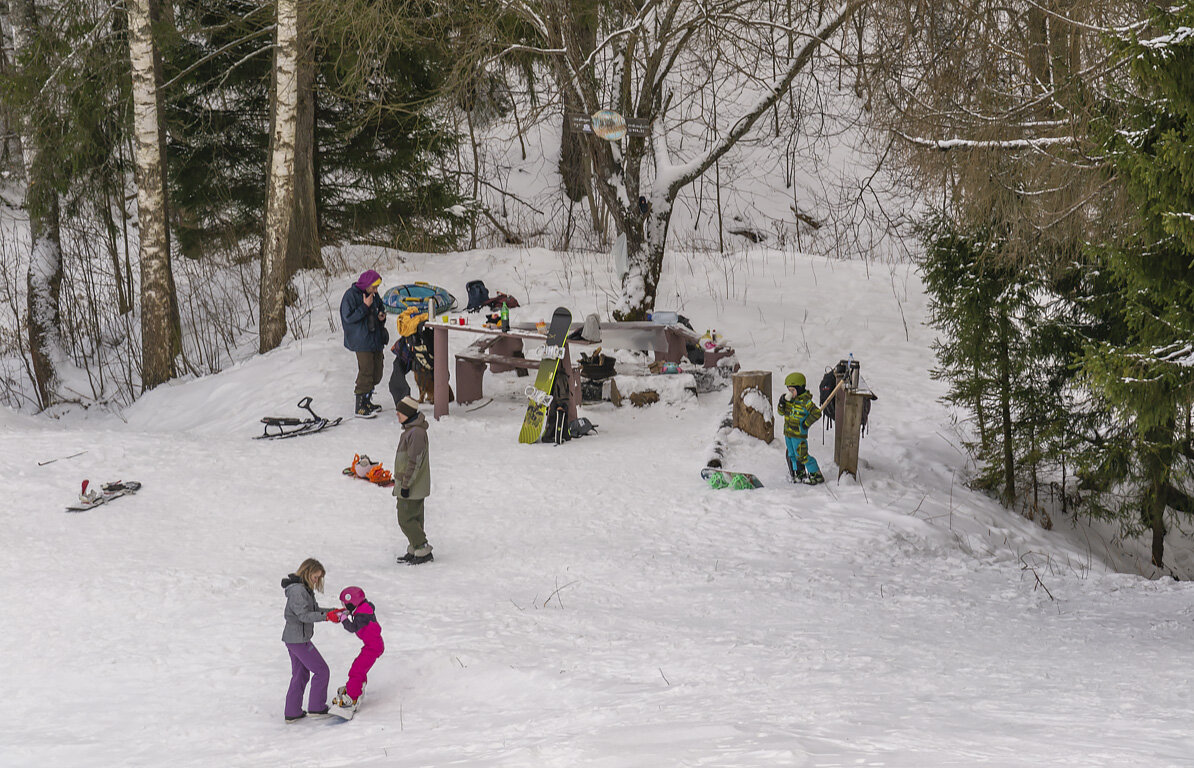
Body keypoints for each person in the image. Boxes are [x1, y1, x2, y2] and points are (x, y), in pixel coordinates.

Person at [281, 558, 343, 723]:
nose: (316, 581)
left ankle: (292, 712)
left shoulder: (304, 590)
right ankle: (317, 707)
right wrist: (327, 617)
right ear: (307, 572)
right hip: (298, 640)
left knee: (300, 674)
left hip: (295, 639)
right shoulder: (297, 591)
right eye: (315, 577)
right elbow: (304, 615)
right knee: (322, 671)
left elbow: (314, 610)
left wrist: (333, 612)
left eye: (318, 578)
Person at [340, 269, 389, 417]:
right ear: (366, 284)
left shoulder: (374, 295)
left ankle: (367, 400)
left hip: (375, 337)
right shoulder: (350, 295)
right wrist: (365, 306)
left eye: (377, 288)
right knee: (366, 371)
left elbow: (380, 308)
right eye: (373, 287)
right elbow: (348, 317)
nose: (375, 291)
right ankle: (360, 406)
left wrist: (381, 316)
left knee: (377, 372)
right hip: (361, 340)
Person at [331, 586, 385, 713]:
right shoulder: (363, 609)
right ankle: (356, 687)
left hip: (373, 647)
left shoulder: (362, 615)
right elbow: (358, 614)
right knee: (358, 667)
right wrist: (348, 613)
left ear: (352, 602)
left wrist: (343, 619)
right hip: (371, 645)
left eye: (345, 604)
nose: (343, 606)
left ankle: (352, 698)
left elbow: (352, 627)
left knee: (357, 670)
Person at [393, 396, 433, 564]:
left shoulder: (416, 433)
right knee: (415, 517)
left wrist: (406, 484)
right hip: (412, 485)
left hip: (412, 486)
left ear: (408, 413)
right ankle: (415, 547)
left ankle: (422, 547)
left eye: (400, 412)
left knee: (405, 518)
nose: (397, 414)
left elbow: (414, 461)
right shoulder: (412, 431)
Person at [777, 372, 825, 485]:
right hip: (788, 433)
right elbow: (780, 413)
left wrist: (806, 423)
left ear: (800, 388)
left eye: (793, 390)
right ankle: (799, 473)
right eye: (789, 390)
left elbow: (817, 413)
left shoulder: (806, 403)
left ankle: (816, 474)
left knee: (802, 455)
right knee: (792, 455)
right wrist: (781, 403)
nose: (790, 393)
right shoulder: (789, 401)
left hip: (799, 435)